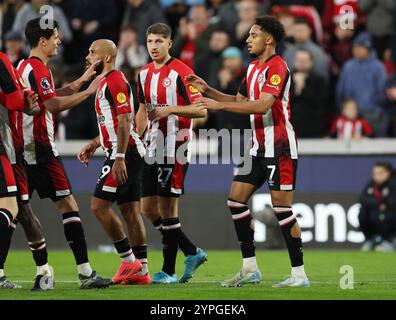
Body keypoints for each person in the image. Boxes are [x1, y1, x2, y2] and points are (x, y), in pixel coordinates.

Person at [187, 15, 310, 288]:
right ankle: (250, 269)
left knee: (282, 209)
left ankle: (299, 274)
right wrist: (210, 91)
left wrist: (219, 107)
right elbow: (240, 100)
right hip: (255, 146)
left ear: (268, 39)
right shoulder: (253, 67)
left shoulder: (278, 67)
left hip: (280, 146)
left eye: (253, 35)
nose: (247, 39)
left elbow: (262, 106)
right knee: (235, 201)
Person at [17, 18, 112, 289]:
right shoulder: (39, 69)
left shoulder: (25, 66)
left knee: (17, 212)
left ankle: (27, 274)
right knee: (68, 206)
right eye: (56, 37)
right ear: (43, 41)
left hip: (21, 148)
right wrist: (90, 91)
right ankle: (85, 273)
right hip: (40, 148)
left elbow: (53, 94)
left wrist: (83, 79)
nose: (60, 41)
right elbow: (55, 104)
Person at [136, 23, 208, 284]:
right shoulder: (142, 74)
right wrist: (135, 138)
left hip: (175, 146)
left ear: (169, 44)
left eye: (159, 41)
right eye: (150, 41)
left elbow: (201, 110)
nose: (153, 46)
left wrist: (170, 110)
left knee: (167, 207)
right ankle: (191, 251)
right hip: (151, 147)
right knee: (147, 207)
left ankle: (168, 270)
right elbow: (143, 110)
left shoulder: (182, 72)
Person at [78, 39, 150, 285]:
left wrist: (118, 157)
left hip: (125, 153)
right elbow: (111, 123)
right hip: (127, 151)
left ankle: (129, 262)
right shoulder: (105, 83)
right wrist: (94, 143)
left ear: (107, 57)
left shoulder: (115, 81)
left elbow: (124, 120)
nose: (88, 56)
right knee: (130, 210)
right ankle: (142, 271)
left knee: (99, 206)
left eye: (92, 52)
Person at [0, 51, 42, 290]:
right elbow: (18, 102)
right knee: (12, 207)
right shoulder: (3, 60)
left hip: (14, 148)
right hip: (8, 146)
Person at [358, 162, 396, 252]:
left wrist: (382, 205)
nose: (376, 176)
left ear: (388, 173)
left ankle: (389, 241)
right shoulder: (372, 184)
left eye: (380, 173)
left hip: (392, 216)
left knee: (379, 215)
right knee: (363, 213)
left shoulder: (394, 183)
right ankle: (369, 240)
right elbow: (362, 199)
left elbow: (392, 203)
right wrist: (379, 204)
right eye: (374, 173)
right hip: (378, 213)